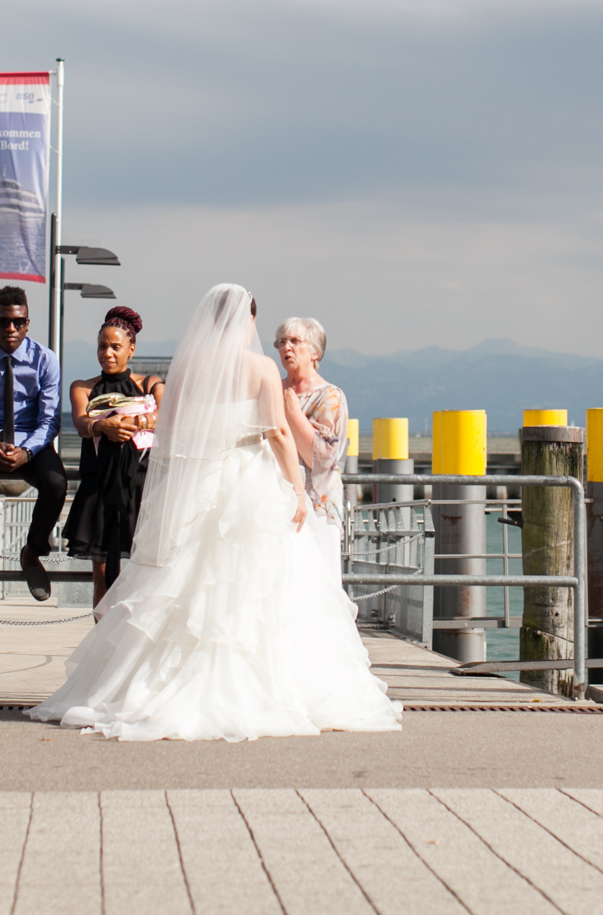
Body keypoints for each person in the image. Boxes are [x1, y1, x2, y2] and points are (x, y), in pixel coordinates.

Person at [29, 285, 401, 742]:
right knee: (259, 585)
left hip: (202, 481)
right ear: (246, 322)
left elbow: (173, 429)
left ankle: (159, 682)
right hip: (251, 477)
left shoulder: (188, 368)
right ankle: (264, 686)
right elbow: (280, 435)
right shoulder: (261, 367)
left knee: (187, 581)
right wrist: (295, 490)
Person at [0, 285, 64, 601]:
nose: (11, 329)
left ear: (28, 323)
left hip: (30, 441)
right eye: (3, 322)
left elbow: (50, 420)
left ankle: (33, 551)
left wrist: (27, 451)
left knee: (57, 483)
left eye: (18, 322)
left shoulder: (45, 360)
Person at [64, 306, 162, 606]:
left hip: (142, 488)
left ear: (131, 349)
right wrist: (101, 426)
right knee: (103, 576)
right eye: (102, 346)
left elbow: (169, 414)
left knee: (144, 575)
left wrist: (136, 423)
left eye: (115, 347)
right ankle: (101, 645)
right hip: (99, 487)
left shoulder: (149, 384)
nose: (107, 353)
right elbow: (80, 423)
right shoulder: (83, 387)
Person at [274, 317, 350, 578]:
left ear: (315, 352)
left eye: (295, 341)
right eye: (282, 342)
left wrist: (293, 413)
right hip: (275, 500)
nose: (287, 348)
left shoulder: (330, 396)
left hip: (317, 506)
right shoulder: (272, 390)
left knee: (320, 580)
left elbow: (320, 459)